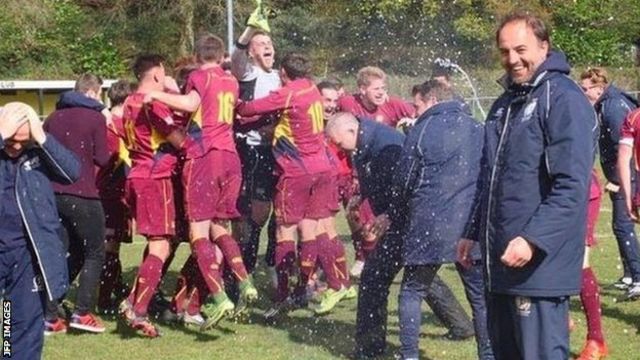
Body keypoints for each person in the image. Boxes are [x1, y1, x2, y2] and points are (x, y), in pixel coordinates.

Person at [457, 12, 596, 359]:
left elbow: (571, 185)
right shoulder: (505, 104)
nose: (513, 59)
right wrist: (472, 230)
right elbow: (490, 175)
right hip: (500, 262)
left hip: (538, 268)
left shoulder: (563, 99)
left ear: (544, 47)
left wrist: (533, 240)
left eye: (521, 49)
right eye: (505, 51)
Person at [326, 112, 476, 358]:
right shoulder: (365, 140)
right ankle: (460, 325)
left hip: (407, 218)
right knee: (419, 274)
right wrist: (360, 196)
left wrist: (390, 216)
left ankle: (369, 349)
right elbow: (373, 176)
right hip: (403, 219)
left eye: (340, 143)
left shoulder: (387, 144)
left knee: (374, 277)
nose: (340, 149)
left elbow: (405, 184)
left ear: (352, 132)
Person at [145, 34, 258, 329]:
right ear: (221, 57)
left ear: (196, 57)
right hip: (231, 158)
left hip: (204, 156)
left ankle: (219, 296)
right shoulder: (230, 80)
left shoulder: (198, 76)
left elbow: (190, 102)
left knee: (198, 234)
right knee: (221, 227)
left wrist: (157, 95)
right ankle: (245, 281)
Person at [236, 53, 341, 317]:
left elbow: (248, 109)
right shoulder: (311, 90)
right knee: (312, 230)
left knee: (285, 231)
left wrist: (232, 100)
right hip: (321, 168)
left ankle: (282, 296)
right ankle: (310, 288)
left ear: (283, 72)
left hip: (297, 171)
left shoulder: (289, 92)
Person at [397, 80, 492, 360]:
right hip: (470, 225)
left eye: (418, 105)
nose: (415, 111)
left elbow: (404, 180)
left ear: (432, 100)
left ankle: (410, 355)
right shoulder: (477, 127)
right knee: (480, 298)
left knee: (412, 290)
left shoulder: (422, 129)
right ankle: (488, 355)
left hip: (430, 223)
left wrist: (399, 212)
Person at [118, 54, 190, 338]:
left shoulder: (127, 102)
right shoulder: (153, 103)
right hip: (155, 177)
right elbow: (178, 140)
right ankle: (139, 310)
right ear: (158, 74)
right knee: (160, 246)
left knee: (160, 243)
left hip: (138, 174)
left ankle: (133, 300)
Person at [0, 102, 79, 359]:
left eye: (24, 141)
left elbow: (72, 172)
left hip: (25, 255)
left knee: (16, 327)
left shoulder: (37, 154)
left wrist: (42, 137)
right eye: (11, 140)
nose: (16, 147)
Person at [43, 73, 110, 334]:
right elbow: (103, 159)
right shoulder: (95, 117)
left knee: (61, 253)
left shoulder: (52, 117)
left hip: (53, 194)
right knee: (95, 251)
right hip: (83, 193)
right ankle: (82, 313)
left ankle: (49, 314)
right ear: (93, 92)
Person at [579, 67, 640, 297]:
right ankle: (629, 274)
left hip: (628, 176)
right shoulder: (605, 104)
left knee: (623, 226)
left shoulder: (613, 107)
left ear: (599, 88)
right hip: (623, 175)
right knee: (619, 226)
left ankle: (638, 277)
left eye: (586, 89)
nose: (583, 93)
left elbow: (623, 148)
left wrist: (618, 181)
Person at [231, 16, 281, 279]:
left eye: (269, 42)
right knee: (255, 213)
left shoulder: (279, 77)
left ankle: (273, 262)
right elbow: (236, 61)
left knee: (281, 211)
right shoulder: (249, 73)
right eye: (261, 43)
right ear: (251, 52)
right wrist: (249, 31)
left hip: (279, 152)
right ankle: (245, 268)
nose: (267, 46)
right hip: (253, 152)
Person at [96, 80, 133, 314]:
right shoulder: (117, 126)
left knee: (111, 245)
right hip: (112, 194)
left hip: (107, 193)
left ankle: (116, 287)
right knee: (111, 247)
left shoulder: (106, 121)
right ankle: (104, 299)